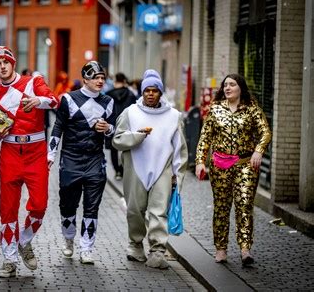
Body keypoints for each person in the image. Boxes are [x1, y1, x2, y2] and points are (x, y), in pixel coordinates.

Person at [0, 46, 59, 278]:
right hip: (10, 152)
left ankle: (24, 241)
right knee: (7, 208)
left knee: (39, 205)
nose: (2, 66)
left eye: (5, 62)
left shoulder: (33, 81)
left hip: (35, 151)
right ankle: (9, 260)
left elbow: (54, 101)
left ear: (12, 63)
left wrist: (37, 101)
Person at [112, 69, 188, 269]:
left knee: (158, 212)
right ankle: (135, 245)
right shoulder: (130, 112)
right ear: (142, 92)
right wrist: (136, 136)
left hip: (163, 169)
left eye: (155, 90)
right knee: (135, 211)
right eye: (147, 90)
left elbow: (180, 149)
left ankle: (157, 250)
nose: (151, 94)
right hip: (136, 168)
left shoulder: (174, 116)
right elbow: (117, 140)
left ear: (160, 93)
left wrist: (177, 176)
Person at [195, 73, 271, 266]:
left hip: (246, 164)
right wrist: (200, 161)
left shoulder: (251, 109)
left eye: (232, 84)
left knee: (244, 204)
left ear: (240, 88)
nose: (228, 88)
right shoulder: (215, 109)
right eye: (225, 85)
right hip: (220, 165)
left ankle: (245, 250)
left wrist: (258, 151)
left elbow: (265, 132)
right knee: (221, 207)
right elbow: (205, 137)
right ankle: (221, 249)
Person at [47, 61, 114, 264]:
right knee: (68, 205)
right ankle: (69, 240)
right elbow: (58, 127)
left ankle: (87, 248)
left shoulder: (108, 101)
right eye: (96, 77)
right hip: (70, 158)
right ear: (85, 79)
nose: (100, 81)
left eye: (102, 77)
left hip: (95, 159)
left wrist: (108, 128)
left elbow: (115, 131)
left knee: (92, 207)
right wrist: (51, 154)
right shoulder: (68, 99)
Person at [105, 72, 136, 180]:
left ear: (115, 81)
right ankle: (123, 169)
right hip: (127, 124)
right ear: (124, 81)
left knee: (114, 149)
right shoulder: (131, 94)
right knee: (125, 148)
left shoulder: (108, 94)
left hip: (112, 124)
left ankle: (117, 171)